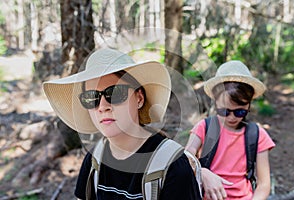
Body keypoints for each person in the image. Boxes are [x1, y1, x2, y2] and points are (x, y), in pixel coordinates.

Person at [43, 48, 201, 200]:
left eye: (115, 93)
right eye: (92, 97)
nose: (103, 106)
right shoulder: (94, 160)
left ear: (139, 98)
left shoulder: (171, 166)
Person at [185, 60, 275, 200]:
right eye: (224, 111)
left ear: (249, 105)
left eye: (240, 112)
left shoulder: (257, 135)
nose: (232, 117)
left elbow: (264, 184)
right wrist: (202, 172)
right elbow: (186, 158)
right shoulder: (204, 127)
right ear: (216, 102)